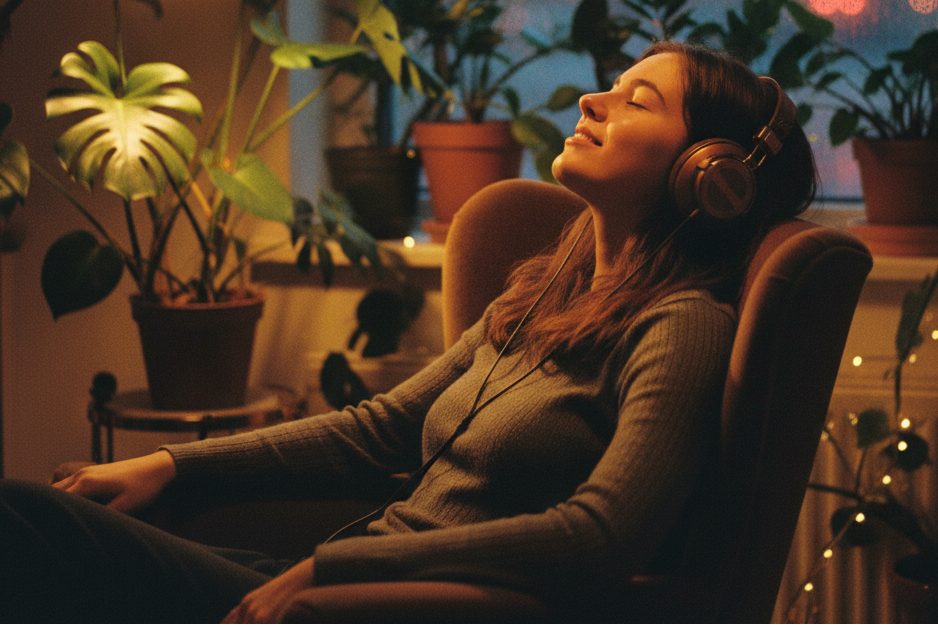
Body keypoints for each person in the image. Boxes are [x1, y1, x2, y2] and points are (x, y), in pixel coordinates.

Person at [0, 41, 817, 624]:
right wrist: (173, 462)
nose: (589, 101)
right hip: (323, 575)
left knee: (21, 524)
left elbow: (598, 537)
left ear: (710, 173)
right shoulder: (544, 293)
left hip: (370, 598)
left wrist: (333, 567)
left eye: (638, 100)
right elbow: (379, 427)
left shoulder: (681, 329)